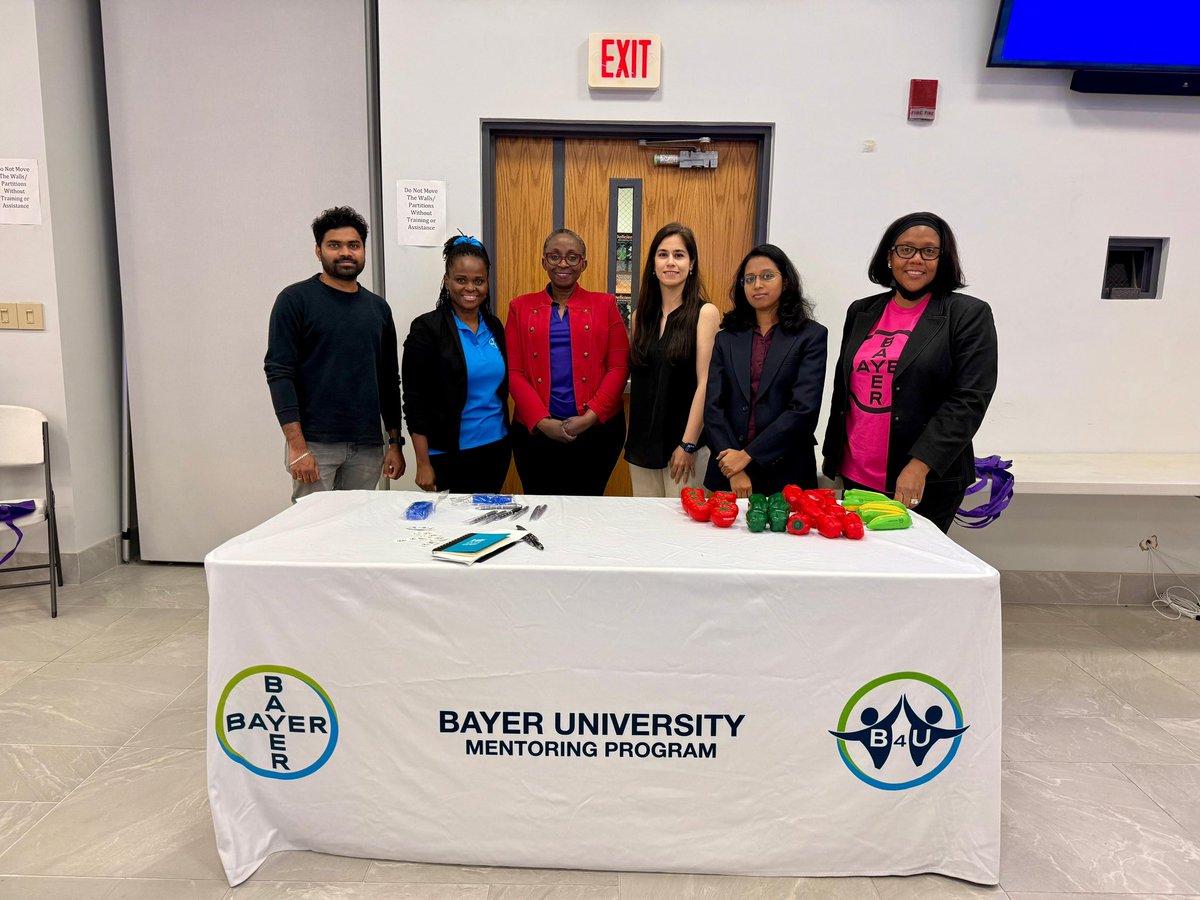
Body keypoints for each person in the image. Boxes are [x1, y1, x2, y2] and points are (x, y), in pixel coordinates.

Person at [821, 211, 998, 532]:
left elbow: (969, 399)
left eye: (929, 251)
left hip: (922, 479)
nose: (916, 259)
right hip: (857, 473)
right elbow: (844, 388)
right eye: (905, 249)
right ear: (889, 256)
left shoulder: (967, 314)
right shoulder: (862, 310)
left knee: (910, 563)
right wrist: (834, 458)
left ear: (943, 259)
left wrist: (920, 465)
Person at [265, 206, 405, 500]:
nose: (345, 253)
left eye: (354, 245)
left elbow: (389, 381)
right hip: (315, 445)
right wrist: (297, 446)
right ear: (318, 251)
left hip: (368, 446)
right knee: (313, 524)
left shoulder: (378, 309)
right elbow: (279, 373)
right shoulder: (295, 300)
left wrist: (395, 442)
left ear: (363, 250)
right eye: (334, 245)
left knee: (357, 522)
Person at [506, 228, 629, 496]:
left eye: (572, 257)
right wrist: (541, 421)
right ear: (544, 261)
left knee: (588, 507)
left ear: (584, 264)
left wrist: (590, 417)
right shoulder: (520, 307)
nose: (563, 264)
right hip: (535, 434)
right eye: (555, 256)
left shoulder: (606, 305)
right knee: (541, 508)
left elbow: (619, 367)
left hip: (597, 432)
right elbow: (514, 372)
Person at [704, 244, 827, 498]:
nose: (757, 285)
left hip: (787, 472)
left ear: (786, 282)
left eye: (767, 276)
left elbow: (803, 410)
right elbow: (714, 408)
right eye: (749, 279)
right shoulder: (726, 339)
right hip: (728, 472)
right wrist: (733, 467)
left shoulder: (811, 336)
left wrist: (747, 456)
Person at [402, 235, 509, 494]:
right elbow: (415, 401)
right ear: (447, 281)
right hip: (448, 454)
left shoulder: (494, 326)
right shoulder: (427, 329)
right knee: (453, 520)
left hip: (496, 447)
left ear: (487, 283)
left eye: (478, 281)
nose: (470, 288)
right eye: (461, 280)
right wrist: (423, 462)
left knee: (486, 518)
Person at [624, 223, 721, 496]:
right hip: (642, 448)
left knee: (683, 523)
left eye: (679, 255)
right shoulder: (639, 318)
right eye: (663, 254)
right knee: (645, 521)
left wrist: (688, 444)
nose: (670, 262)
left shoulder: (705, 313)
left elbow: (706, 384)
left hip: (685, 448)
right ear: (653, 264)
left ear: (691, 264)